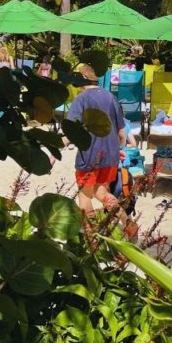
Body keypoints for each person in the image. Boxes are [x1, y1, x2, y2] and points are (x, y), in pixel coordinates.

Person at [64, 63, 138, 239]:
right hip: (111, 157)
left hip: (90, 157)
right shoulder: (110, 97)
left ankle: (90, 236)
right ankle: (129, 223)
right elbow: (122, 131)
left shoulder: (81, 100)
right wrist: (119, 149)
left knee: (84, 196)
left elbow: (71, 132)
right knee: (102, 193)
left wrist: (56, 146)